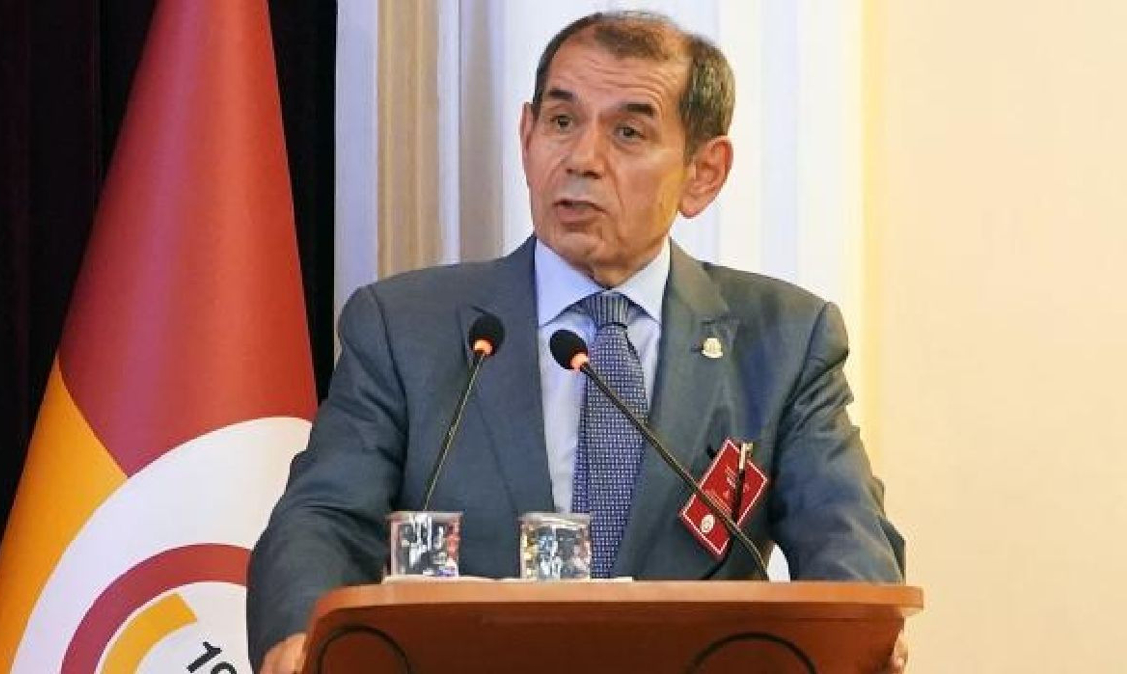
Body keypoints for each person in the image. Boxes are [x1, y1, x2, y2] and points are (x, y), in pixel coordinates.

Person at [248, 11, 908, 674]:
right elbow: (324, 517)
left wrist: (860, 631)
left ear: (703, 172)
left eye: (628, 132)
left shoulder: (783, 338)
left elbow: (843, 528)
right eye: (562, 122)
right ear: (526, 137)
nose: (582, 159)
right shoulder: (406, 327)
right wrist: (298, 637)